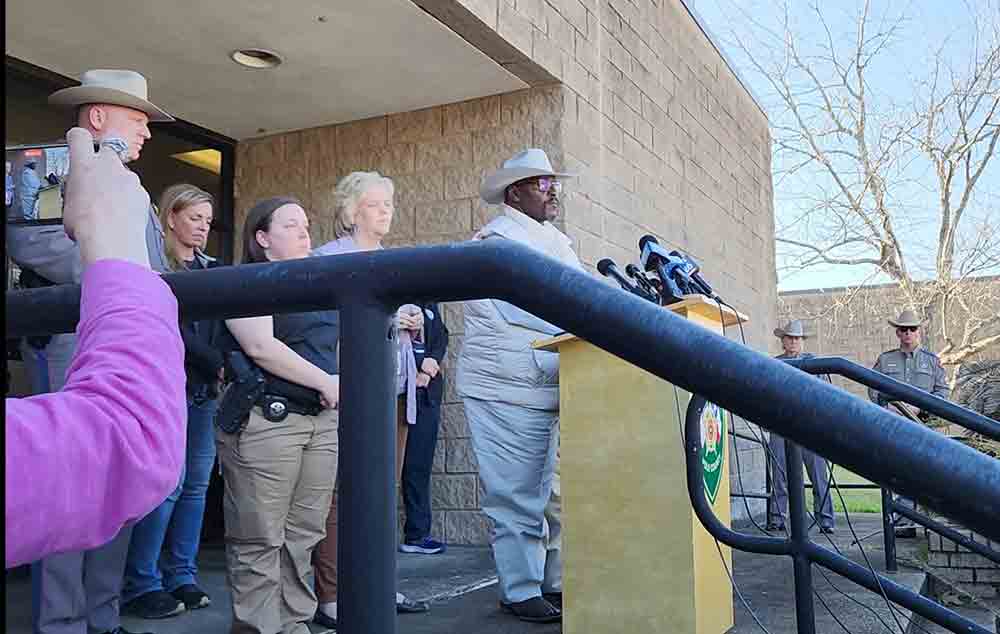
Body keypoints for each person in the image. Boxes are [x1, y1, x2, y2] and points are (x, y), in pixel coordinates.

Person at [7, 68, 175, 634]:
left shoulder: (131, 188)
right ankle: (61, 623)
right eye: (138, 118)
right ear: (97, 117)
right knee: (65, 478)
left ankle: (101, 618)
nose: (148, 132)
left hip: (127, 336)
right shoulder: (47, 168)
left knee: (116, 490)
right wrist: (119, 267)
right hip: (75, 340)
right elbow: (30, 242)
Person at [456, 148, 581, 623]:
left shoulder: (554, 241)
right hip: (507, 389)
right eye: (543, 184)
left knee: (555, 492)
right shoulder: (496, 243)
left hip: (548, 384)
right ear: (515, 193)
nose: (554, 192)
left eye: (555, 184)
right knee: (517, 493)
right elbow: (540, 313)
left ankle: (554, 580)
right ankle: (520, 589)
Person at [310, 172, 431, 629]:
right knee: (342, 496)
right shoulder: (328, 258)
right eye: (376, 204)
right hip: (348, 392)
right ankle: (334, 594)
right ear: (352, 211)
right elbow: (320, 331)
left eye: (389, 203)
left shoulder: (390, 260)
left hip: (394, 391)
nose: (386, 211)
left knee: (384, 489)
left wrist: (409, 324)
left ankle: (377, 584)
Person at [219, 197, 341, 634]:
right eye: (291, 225)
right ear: (262, 238)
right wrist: (327, 383)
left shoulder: (320, 285)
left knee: (303, 535)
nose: (305, 232)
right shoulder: (243, 280)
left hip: (320, 423)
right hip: (267, 420)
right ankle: (259, 629)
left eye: (307, 224)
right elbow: (260, 346)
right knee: (259, 538)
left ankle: (292, 626)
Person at [122, 184, 223, 619]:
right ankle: (142, 583)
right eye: (194, 217)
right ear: (170, 218)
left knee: (196, 488)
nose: (202, 226)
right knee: (167, 487)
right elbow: (168, 328)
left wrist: (220, 364)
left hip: (205, 393)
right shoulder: (154, 267)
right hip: (168, 389)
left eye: (207, 219)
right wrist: (212, 359)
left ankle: (182, 575)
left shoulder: (213, 268)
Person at [869, 309, 950, 538]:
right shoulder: (885, 360)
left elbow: (943, 392)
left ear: (919, 331)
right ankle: (904, 522)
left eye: (912, 329)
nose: (908, 333)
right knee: (897, 473)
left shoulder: (932, 361)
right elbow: (872, 388)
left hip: (922, 427)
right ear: (897, 332)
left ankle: (909, 520)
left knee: (919, 474)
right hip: (893, 426)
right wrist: (888, 406)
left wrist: (920, 408)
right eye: (903, 329)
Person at [766, 320, 835, 534]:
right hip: (780, 424)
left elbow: (827, 395)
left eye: (797, 338)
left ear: (802, 341)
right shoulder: (773, 364)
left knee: (818, 476)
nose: (794, 341)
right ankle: (777, 518)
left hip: (809, 426)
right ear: (783, 341)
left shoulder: (815, 364)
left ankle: (825, 519)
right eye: (790, 338)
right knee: (779, 474)